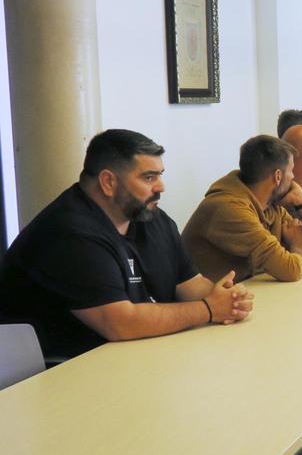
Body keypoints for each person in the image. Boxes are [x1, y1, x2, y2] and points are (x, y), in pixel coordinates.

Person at [0, 130, 253, 362]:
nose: (161, 187)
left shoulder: (150, 218)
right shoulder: (68, 231)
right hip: (58, 372)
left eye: (160, 176)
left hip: (130, 357)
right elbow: (120, 323)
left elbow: (189, 284)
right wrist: (208, 309)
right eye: (149, 177)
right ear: (108, 182)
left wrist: (227, 299)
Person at [183, 135, 302, 282]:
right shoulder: (230, 209)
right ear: (278, 176)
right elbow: (290, 270)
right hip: (202, 301)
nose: (293, 177)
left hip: (244, 293)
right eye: (291, 171)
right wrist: (298, 245)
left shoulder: (270, 204)